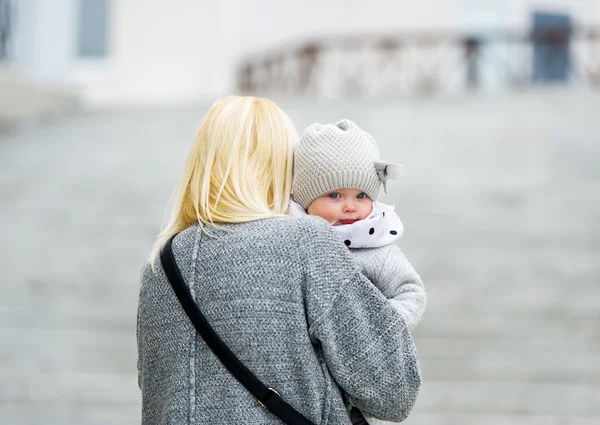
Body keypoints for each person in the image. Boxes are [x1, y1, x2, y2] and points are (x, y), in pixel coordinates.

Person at [137, 96, 421, 424]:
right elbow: (392, 393)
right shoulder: (307, 242)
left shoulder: (160, 266)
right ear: (282, 165)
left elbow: (156, 395)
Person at [289, 119, 426, 425]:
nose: (350, 207)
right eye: (334, 196)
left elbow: (411, 292)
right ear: (305, 199)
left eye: (361, 196)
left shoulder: (378, 248)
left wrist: (375, 327)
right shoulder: (291, 241)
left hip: (358, 387)